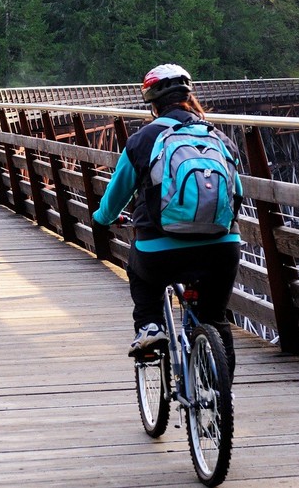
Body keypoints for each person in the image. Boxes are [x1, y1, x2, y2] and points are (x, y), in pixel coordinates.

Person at [91, 64, 242, 377]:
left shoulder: (143, 139)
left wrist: (101, 219)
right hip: (221, 248)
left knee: (140, 269)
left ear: (151, 102)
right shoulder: (220, 139)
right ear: (189, 96)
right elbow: (236, 195)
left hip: (161, 250)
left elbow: (116, 196)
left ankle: (149, 327)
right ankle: (221, 392)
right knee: (215, 318)